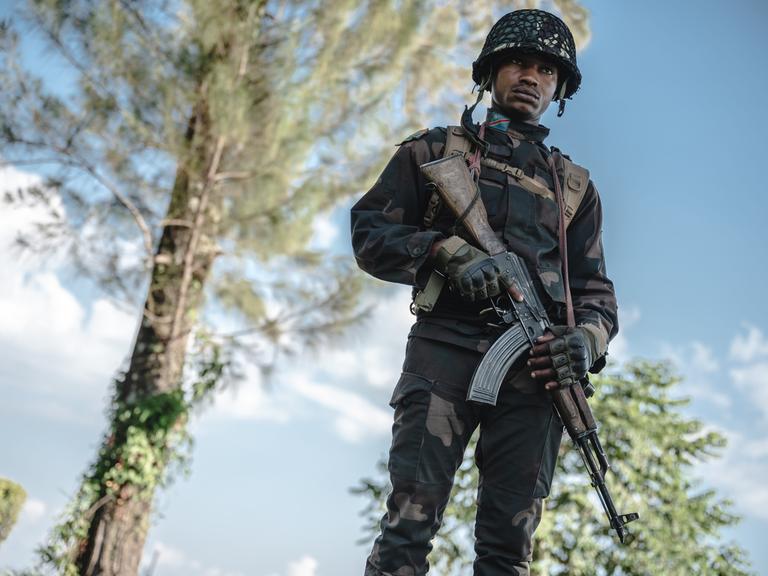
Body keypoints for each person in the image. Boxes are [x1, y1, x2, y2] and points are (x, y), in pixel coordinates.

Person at [351, 8, 618, 576]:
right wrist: (442, 252)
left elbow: (595, 291)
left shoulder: (574, 187)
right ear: (491, 73)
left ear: (559, 90)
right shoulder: (433, 154)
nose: (531, 77)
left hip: (536, 373)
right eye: (519, 63)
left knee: (507, 551)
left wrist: (587, 341)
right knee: (408, 528)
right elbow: (370, 233)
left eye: (547, 71)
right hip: (442, 355)